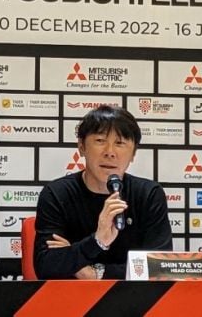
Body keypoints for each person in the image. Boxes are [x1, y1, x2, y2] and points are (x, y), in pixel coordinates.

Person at [34, 105, 172, 279]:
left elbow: (158, 267)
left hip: (134, 300)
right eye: (100, 140)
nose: (110, 152)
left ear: (133, 153)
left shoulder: (149, 195)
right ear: (81, 146)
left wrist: (94, 272)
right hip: (70, 300)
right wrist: (97, 241)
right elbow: (46, 266)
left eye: (120, 143)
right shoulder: (57, 193)